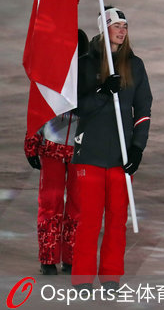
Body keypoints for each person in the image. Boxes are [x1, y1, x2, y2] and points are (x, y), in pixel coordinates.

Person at [71, 8, 152, 289]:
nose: (122, 30)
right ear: (104, 29)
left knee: (117, 220)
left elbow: (143, 110)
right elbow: (77, 108)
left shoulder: (135, 65)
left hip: (121, 155)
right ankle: (82, 278)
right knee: (89, 220)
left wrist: (138, 148)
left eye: (125, 25)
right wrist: (102, 92)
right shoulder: (86, 63)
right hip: (90, 153)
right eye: (116, 25)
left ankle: (110, 276)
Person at [24, 29, 89, 275]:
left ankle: (72, 257)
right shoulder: (48, 75)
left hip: (81, 150)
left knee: (78, 206)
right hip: (51, 148)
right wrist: (32, 141)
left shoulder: (91, 74)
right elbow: (36, 109)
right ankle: (48, 257)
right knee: (50, 204)